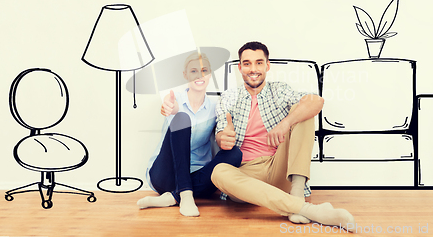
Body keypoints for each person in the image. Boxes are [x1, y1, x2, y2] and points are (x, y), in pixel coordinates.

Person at [211, 42, 356, 231]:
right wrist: (223, 138)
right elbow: (221, 132)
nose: (253, 69)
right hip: (247, 174)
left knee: (303, 109)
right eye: (246, 64)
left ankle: (296, 193)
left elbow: (316, 101)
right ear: (240, 67)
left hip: (278, 167)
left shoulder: (279, 90)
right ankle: (310, 210)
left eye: (259, 63)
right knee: (218, 172)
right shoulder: (228, 97)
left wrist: (285, 123)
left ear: (267, 65)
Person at [137, 52, 242, 217]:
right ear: (185, 75)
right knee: (182, 118)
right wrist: (171, 109)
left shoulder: (215, 108)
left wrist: (226, 134)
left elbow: (221, 135)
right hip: (165, 175)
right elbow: (170, 106)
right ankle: (185, 194)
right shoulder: (174, 99)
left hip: (197, 175)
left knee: (235, 154)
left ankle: (173, 197)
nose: (199, 75)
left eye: (204, 70)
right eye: (193, 71)